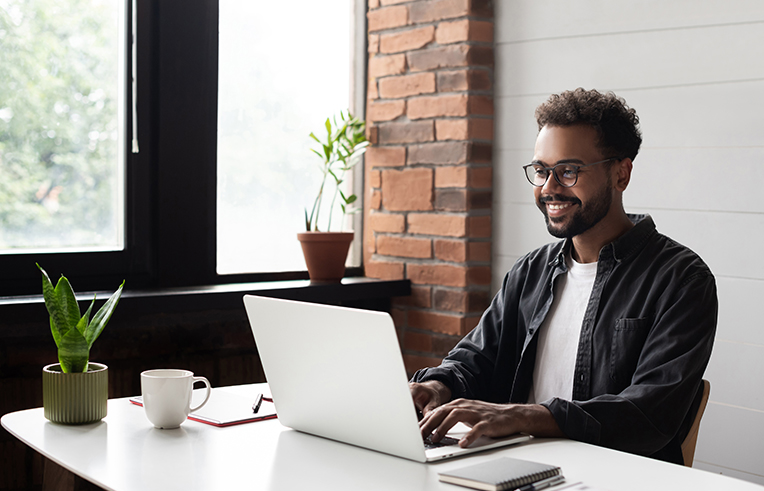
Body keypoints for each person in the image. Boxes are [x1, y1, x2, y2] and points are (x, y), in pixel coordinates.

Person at [410, 88, 717, 465]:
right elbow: (477, 359)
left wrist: (523, 415)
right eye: (541, 171)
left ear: (621, 173)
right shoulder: (530, 271)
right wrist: (437, 386)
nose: (549, 188)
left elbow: (648, 413)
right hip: (518, 467)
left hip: (617, 476)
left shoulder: (681, 279)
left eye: (568, 171)